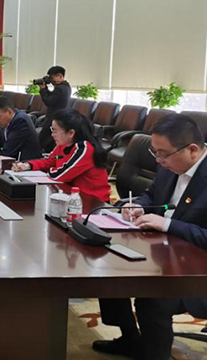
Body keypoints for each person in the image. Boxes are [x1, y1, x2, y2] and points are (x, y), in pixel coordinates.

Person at [93, 114, 207, 360]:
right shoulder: (169, 166)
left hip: (198, 269)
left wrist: (168, 224)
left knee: (154, 299)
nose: (158, 160)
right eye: (155, 152)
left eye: (163, 154)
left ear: (192, 150)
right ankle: (130, 339)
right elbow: (151, 195)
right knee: (110, 271)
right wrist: (138, 206)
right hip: (166, 254)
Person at [12, 109, 110, 202]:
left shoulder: (85, 148)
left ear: (71, 133)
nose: (52, 134)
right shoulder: (63, 145)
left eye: (55, 131)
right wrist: (28, 165)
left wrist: (50, 169)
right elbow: (49, 161)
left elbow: (61, 175)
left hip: (92, 201)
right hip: (70, 195)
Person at [0, 96, 41, 161]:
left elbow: (8, 152)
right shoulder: (7, 121)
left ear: (9, 112)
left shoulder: (21, 121)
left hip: (25, 163)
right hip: (12, 162)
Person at [38, 66, 72, 152]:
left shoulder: (60, 89)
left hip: (54, 119)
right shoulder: (65, 87)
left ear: (60, 76)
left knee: (42, 142)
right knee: (50, 143)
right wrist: (45, 88)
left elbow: (48, 101)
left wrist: (43, 90)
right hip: (58, 118)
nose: (51, 80)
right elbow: (52, 97)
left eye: (52, 77)